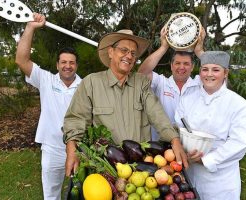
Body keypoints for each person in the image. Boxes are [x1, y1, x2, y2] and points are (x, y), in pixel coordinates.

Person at [62, 29, 188, 176]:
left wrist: (174, 139)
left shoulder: (141, 82)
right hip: (104, 167)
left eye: (133, 53)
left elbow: (157, 113)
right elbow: (76, 119)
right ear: (110, 52)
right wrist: (72, 151)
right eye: (124, 50)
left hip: (140, 167)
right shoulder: (91, 82)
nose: (129, 56)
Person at [15, 13, 82, 200]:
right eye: (63, 62)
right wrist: (30, 27)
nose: (67, 66)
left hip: (80, 148)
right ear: (57, 64)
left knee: (81, 193)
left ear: (76, 65)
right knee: (51, 195)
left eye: (71, 62)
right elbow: (22, 60)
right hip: (52, 148)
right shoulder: (46, 80)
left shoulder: (86, 86)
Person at [174, 51, 246, 200]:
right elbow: (179, 125)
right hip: (189, 175)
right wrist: (184, 148)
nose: (209, 74)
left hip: (220, 182)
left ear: (225, 73)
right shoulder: (187, 98)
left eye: (216, 70)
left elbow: (239, 142)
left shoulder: (238, 104)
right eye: (205, 69)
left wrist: (206, 159)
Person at [138, 26, 205, 140]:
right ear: (171, 66)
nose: (181, 67)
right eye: (177, 63)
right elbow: (142, 73)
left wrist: (199, 51)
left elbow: (217, 73)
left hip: (190, 145)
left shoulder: (200, 83)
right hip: (161, 144)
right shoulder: (161, 82)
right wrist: (164, 46)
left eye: (186, 64)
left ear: (192, 67)